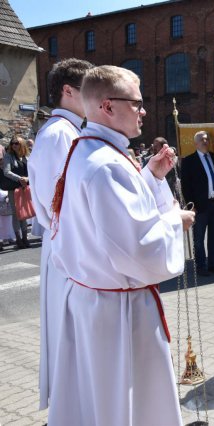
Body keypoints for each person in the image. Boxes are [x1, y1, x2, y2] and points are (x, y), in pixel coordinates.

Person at [47, 65, 195, 425]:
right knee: (125, 405)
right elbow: (139, 250)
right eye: (137, 103)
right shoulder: (105, 164)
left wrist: (151, 175)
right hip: (118, 311)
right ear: (109, 106)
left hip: (95, 301)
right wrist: (177, 221)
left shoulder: (92, 151)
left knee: (97, 400)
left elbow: (116, 216)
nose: (144, 111)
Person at [27, 57, 93, 410]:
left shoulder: (72, 131)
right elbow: (61, 205)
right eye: (88, 90)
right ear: (68, 91)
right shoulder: (58, 136)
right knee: (69, 337)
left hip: (75, 248)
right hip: (69, 249)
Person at [181, 130, 214, 276]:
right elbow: (186, 186)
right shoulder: (189, 161)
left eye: (207, 139)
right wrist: (191, 206)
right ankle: (201, 266)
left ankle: (213, 264)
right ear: (196, 143)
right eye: (203, 139)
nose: (206, 141)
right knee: (198, 238)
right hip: (200, 206)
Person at [3, 136, 30, 248]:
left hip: (25, 188)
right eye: (12, 143)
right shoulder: (8, 156)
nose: (14, 145)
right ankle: (18, 239)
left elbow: (33, 170)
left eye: (17, 143)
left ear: (22, 144)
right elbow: (6, 172)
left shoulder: (26, 157)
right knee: (16, 214)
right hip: (14, 189)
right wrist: (20, 178)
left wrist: (27, 179)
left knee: (24, 213)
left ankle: (25, 238)